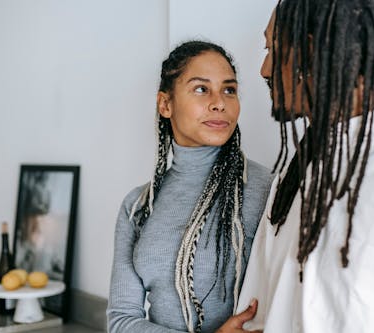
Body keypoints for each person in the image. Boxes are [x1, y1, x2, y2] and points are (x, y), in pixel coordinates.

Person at [219, 0, 374, 332]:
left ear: (311, 50)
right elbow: (258, 316)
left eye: (273, 49)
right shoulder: (292, 179)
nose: (264, 69)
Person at [107, 40, 273, 333]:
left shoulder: (267, 190)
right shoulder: (137, 206)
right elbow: (121, 320)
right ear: (165, 104)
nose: (219, 102)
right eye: (201, 88)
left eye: (229, 90)